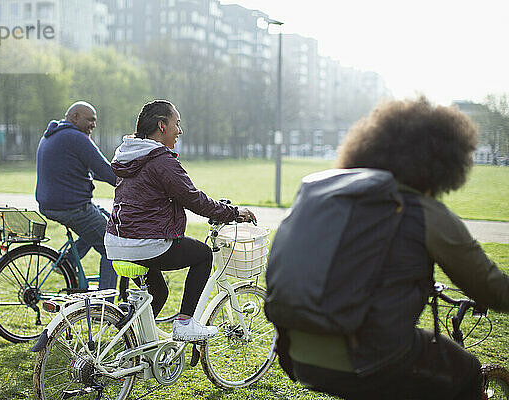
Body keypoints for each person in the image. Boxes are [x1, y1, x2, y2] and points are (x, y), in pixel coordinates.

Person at [278, 97, 509, 399]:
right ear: (443, 164)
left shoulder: (335, 201)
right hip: (370, 360)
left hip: (297, 357)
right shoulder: (422, 210)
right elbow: (490, 287)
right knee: (465, 369)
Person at [104, 99, 256, 342]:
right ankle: (185, 324)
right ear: (162, 126)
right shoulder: (160, 160)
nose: (180, 130)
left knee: (159, 292)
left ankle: (132, 345)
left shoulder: (128, 156)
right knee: (203, 255)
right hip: (146, 243)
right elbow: (193, 199)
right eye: (177, 123)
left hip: (117, 242)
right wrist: (233, 213)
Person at [35, 101, 117, 290]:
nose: (93, 125)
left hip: (51, 205)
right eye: (90, 120)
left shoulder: (54, 135)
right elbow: (104, 170)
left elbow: (89, 170)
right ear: (75, 117)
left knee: (104, 217)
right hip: (73, 208)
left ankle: (68, 261)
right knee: (112, 247)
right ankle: (105, 306)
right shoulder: (76, 138)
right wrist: (133, 185)